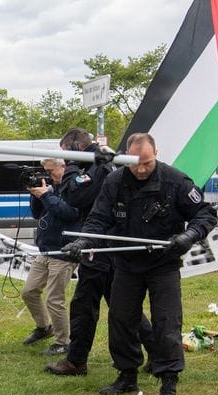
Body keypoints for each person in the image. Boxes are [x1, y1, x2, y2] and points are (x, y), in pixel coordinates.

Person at [61, 133, 217, 395]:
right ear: (126, 158)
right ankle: (126, 375)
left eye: (147, 163)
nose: (141, 169)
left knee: (166, 323)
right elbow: (99, 218)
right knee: (121, 321)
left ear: (156, 153)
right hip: (126, 263)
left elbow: (205, 214)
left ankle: (168, 384)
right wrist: (83, 242)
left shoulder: (176, 181)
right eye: (136, 164)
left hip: (163, 264)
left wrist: (190, 236)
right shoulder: (114, 181)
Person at [46, 128, 156, 376]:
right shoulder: (101, 162)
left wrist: (73, 164)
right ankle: (156, 351)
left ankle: (76, 360)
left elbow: (74, 196)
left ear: (75, 148)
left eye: (66, 153)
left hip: (101, 246)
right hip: (101, 244)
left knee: (86, 305)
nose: (64, 159)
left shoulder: (98, 164)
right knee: (120, 305)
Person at [20, 158, 78, 356]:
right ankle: (45, 327)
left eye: (51, 171)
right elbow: (37, 214)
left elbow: (69, 214)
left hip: (64, 251)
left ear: (63, 168)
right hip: (45, 249)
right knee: (29, 291)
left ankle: (63, 341)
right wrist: (36, 194)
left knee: (54, 299)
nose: (49, 176)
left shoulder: (75, 187)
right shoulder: (50, 188)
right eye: (45, 172)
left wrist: (47, 196)